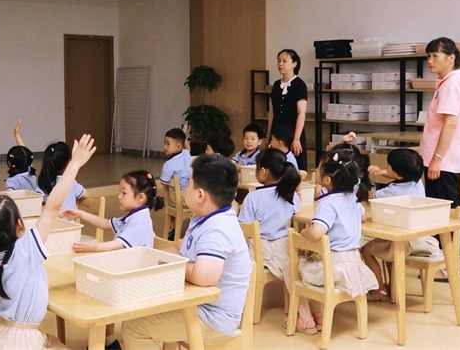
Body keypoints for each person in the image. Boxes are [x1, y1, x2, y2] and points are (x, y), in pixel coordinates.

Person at [0, 134, 96, 350]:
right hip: (22, 342)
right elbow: (52, 207)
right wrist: (75, 164)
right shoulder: (24, 251)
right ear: (19, 225)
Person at [121, 154, 252, 348]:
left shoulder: (218, 228)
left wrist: (169, 265)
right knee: (141, 309)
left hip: (212, 317)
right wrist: (150, 260)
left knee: (135, 328)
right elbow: (180, 247)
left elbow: (204, 277)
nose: (183, 189)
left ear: (200, 195)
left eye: (187, 184)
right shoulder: (203, 217)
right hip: (197, 305)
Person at [62, 170, 163, 350]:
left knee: (97, 291)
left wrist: (91, 247)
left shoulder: (140, 220)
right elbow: (106, 224)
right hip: (129, 271)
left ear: (140, 197)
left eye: (124, 192)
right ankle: (107, 340)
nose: (119, 196)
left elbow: (116, 245)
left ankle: (104, 341)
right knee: (97, 285)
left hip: (136, 279)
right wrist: (80, 213)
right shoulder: (133, 215)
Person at [289, 150, 378, 334]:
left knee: (290, 268)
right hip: (354, 267)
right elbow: (362, 218)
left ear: (327, 180)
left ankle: (306, 319)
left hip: (333, 268)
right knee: (310, 264)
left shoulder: (327, 204)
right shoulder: (352, 198)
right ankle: (319, 315)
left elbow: (316, 234)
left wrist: (305, 231)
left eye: (319, 168)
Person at [418, 37, 460, 279]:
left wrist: (437, 158)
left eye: (435, 56)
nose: (430, 61)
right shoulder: (448, 82)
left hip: (443, 160)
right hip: (445, 159)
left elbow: (450, 124)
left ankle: (446, 264)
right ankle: (458, 260)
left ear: (451, 58)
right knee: (452, 208)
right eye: (428, 56)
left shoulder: (451, 84)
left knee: (444, 212)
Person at [361, 149, 439, 302]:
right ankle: (393, 287)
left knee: (366, 250)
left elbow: (371, 198)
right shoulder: (417, 182)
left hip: (406, 242)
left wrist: (365, 183)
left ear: (397, 173)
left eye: (388, 166)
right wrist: (383, 172)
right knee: (387, 248)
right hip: (422, 236)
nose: (386, 167)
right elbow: (399, 178)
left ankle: (379, 289)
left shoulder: (392, 191)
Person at [237, 149, 301, 282]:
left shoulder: (253, 197)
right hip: (284, 249)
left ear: (263, 171)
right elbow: (297, 208)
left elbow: (243, 230)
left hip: (260, 249)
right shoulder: (290, 195)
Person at [267, 49, 308, 171]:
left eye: (284, 61)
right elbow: (271, 112)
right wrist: (268, 135)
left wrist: (296, 139)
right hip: (276, 132)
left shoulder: (299, 85)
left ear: (294, 64)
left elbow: (301, 113)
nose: (280, 64)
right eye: (279, 61)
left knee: (294, 168)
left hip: (292, 132)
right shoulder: (276, 85)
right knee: (275, 166)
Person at [37, 141, 89, 213]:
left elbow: (36, 201)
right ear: (68, 163)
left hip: (50, 222)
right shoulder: (71, 183)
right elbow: (85, 194)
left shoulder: (44, 183)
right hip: (70, 223)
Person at [6, 119, 45, 199]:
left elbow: (11, 200)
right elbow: (24, 152)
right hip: (35, 205)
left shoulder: (11, 181)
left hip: (23, 209)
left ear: (10, 164)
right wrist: (16, 134)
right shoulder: (30, 170)